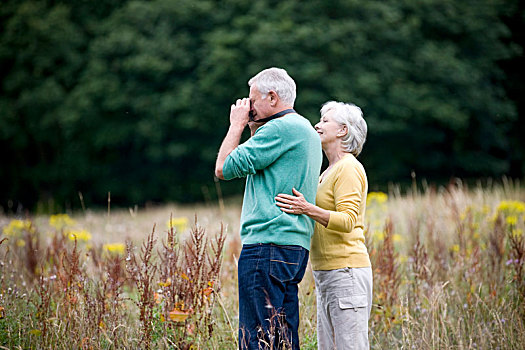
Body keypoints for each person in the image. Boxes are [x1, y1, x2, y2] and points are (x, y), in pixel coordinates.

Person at [215, 67, 322, 349]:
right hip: (293, 246)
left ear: (272, 97)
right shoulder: (305, 130)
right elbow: (264, 163)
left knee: (257, 338)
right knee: (284, 338)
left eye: (253, 100)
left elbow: (223, 168)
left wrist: (236, 125)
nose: (248, 107)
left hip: (265, 245)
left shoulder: (279, 129)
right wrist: (253, 126)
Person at [275, 101, 372, 349]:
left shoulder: (349, 168)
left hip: (346, 271)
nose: (318, 125)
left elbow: (348, 221)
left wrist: (307, 208)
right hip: (327, 273)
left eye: (325, 121)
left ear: (343, 130)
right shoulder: (328, 171)